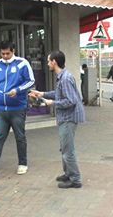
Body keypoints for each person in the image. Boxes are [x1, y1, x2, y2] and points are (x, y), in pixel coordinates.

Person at [29, 50, 85, 189]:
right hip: (65, 117)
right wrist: (42, 94)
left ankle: (75, 179)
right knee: (64, 148)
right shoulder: (62, 76)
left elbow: (70, 101)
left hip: (69, 118)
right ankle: (68, 173)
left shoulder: (65, 78)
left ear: (54, 62)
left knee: (68, 150)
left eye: (49, 61)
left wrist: (52, 103)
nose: (47, 63)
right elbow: (59, 94)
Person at [0, 41, 34, 179]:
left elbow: (30, 81)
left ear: (13, 51)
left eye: (7, 53)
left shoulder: (22, 63)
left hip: (17, 108)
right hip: (0, 109)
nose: (5, 56)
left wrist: (18, 90)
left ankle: (22, 163)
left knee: (19, 136)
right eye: (2, 53)